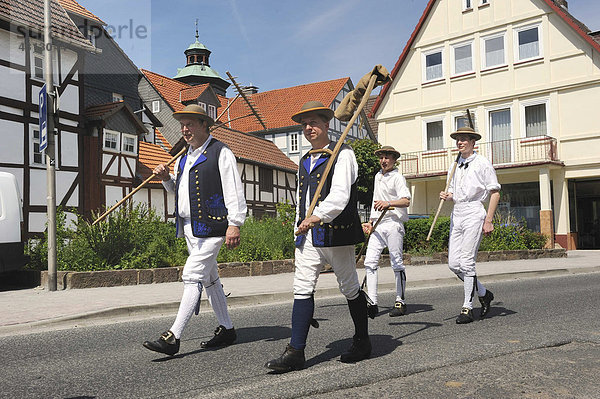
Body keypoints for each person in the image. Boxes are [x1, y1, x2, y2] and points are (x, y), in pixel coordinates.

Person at [265, 101, 370, 373]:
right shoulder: (304, 159)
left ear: (326, 125)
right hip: (308, 235)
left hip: (336, 232)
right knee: (302, 287)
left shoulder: (342, 154)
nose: (309, 128)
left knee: (349, 287)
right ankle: (295, 351)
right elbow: (302, 199)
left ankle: (362, 341)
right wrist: (300, 224)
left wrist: (318, 216)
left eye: (314, 123)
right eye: (305, 124)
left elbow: (339, 195)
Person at [143, 104, 247, 355]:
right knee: (210, 279)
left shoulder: (221, 152)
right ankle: (227, 328)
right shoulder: (183, 157)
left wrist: (235, 224)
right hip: (189, 227)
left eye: (190, 124)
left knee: (191, 274)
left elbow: (234, 190)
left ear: (204, 125)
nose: (185, 129)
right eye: (182, 125)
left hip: (213, 225)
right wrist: (166, 178)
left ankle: (173, 336)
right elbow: (178, 192)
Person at [439, 126, 499, 324]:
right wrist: (449, 196)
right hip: (458, 213)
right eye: (458, 139)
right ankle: (483, 292)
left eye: (464, 139)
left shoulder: (482, 163)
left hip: (474, 212)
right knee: (453, 264)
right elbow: (456, 193)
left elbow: (495, 192)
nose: (460, 142)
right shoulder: (454, 165)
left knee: (466, 262)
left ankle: (467, 307)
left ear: (473, 142)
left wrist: (488, 220)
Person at [362, 145, 411, 318]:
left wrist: (388, 203)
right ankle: (372, 302)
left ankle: (400, 301)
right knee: (370, 262)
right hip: (378, 224)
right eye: (381, 157)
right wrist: (370, 222)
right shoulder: (377, 176)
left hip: (393, 222)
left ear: (394, 160)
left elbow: (406, 201)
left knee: (396, 262)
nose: (383, 160)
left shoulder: (398, 177)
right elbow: (376, 199)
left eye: (387, 157)